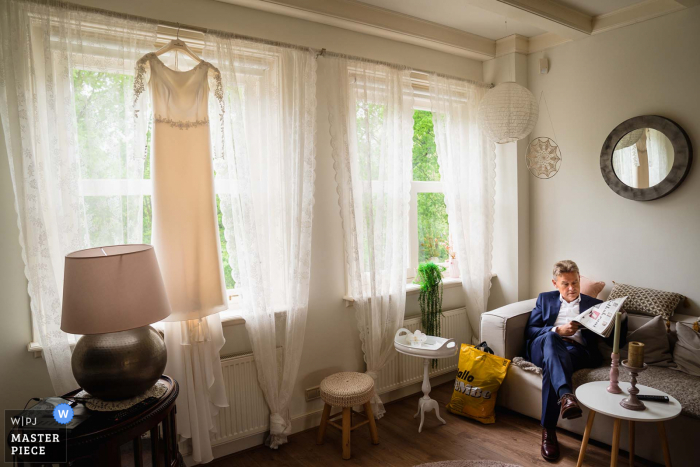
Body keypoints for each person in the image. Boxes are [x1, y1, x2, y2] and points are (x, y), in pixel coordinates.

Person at [525, 260, 627, 461]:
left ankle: (549, 432)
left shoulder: (595, 305)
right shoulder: (544, 299)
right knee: (551, 338)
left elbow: (620, 341)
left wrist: (621, 319)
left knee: (551, 366)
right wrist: (557, 330)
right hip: (543, 346)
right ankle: (566, 396)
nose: (571, 288)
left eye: (575, 282)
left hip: (575, 352)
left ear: (579, 279)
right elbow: (530, 330)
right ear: (555, 283)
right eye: (565, 284)